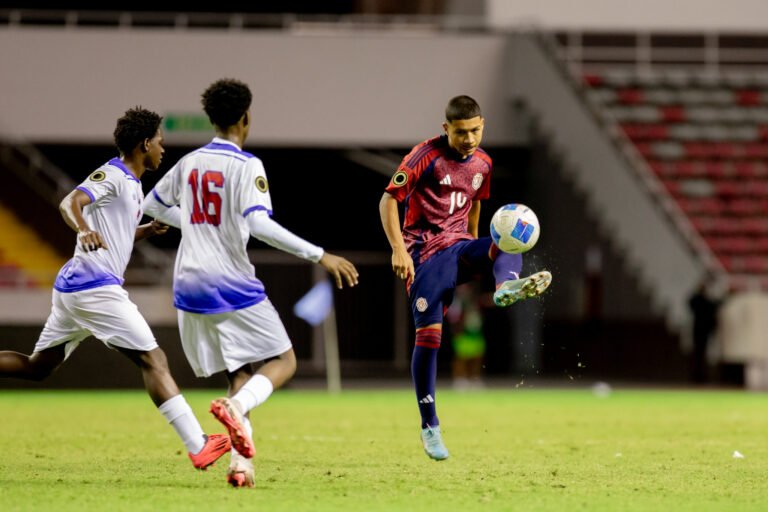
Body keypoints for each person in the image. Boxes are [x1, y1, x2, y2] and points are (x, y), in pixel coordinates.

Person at [142, 78, 359, 488]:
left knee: (241, 368)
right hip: (229, 281)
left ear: (212, 118)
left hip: (187, 284)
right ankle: (236, 408)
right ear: (246, 118)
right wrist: (320, 254)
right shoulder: (247, 166)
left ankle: (241, 466)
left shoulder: (189, 162)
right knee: (284, 361)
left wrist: (190, 222)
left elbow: (150, 205)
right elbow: (259, 223)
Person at [0, 107, 231, 470]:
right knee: (153, 360)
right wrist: (82, 228)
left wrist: (144, 232)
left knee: (38, 367)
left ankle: (198, 442)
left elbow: (116, 235)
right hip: (94, 288)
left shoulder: (133, 185)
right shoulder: (113, 174)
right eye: (159, 142)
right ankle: (198, 444)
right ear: (144, 144)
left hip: (78, 287)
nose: (162, 149)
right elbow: (70, 201)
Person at [378, 95, 552, 461]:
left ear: (483, 125)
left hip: (459, 247)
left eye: (474, 130)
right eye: (461, 132)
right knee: (430, 337)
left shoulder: (484, 163)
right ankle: (430, 425)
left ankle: (505, 285)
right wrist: (397, 248)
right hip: (424, 255)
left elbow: (475, 202)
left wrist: (473, 248)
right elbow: (388, 200)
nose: (469, 139)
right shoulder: (424, 156)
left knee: (508, 238)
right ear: (446, 129)